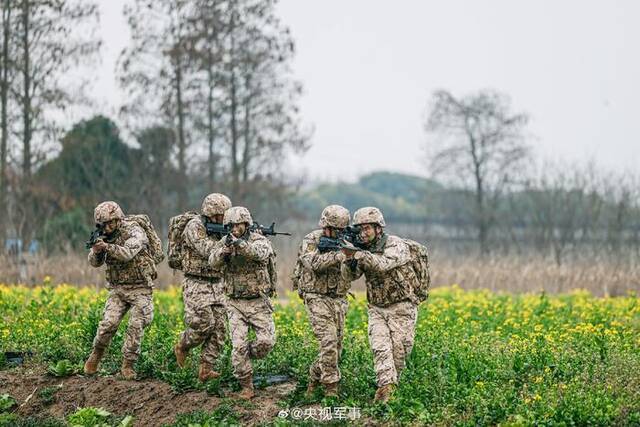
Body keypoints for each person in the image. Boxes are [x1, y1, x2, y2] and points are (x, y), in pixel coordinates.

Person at [340, 207, 420, 403]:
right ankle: (384, 391)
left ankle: (393, 389)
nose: (363, 233)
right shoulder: (362, 249)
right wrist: (349, 258)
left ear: (378, 228)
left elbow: (383, 265)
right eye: (360, 229)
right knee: (380, 349)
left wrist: (359, 254)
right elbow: (349, 277)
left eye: (367, 228)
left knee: (399, 353)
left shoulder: (396, 245)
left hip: (402, 307)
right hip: (377, 308)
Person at [84, 201, 158, 380]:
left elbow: (128, 253)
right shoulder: (103, 235)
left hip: (140, 287)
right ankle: (96, 355)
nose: (108, 228)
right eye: (104, 225)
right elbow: (94, 263)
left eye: (111, 223)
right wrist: (97, 251)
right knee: (108, 324)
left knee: (136, 325)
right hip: (118, 288)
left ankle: (128, 364)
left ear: (118, 219)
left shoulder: (134, 230)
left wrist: (107, 247)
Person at [208, 206, 276, 399]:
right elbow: (212, 261)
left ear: (246, 224)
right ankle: (246, 384)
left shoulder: (259, 240)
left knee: (266, 342)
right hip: (235, 302)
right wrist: (224, 251)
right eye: (231, 226)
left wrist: (240, 245)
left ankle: (244, 356)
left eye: (238, 225)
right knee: (238, 346)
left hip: (258, 302)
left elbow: (259, 254)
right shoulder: (225, 241)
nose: (234, 229)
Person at [293, 204, 354, 397]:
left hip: (338, 298)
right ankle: (331, 390)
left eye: (338, 230)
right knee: (328, 342)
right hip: (316, 296)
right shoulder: (311, 240)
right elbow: (313, 264)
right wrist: (339, 256)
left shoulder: (348, 241)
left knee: (336, 348)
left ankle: (314, 376)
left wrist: (354, 257)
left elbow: (354, 274)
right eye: (330, 229)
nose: (332, 232)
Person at [174, 193, 232, 382]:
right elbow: (207, 249)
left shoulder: (225, 229)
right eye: (218, 216)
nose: (221, 219)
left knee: (220, 329)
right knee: (203, 325)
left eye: (224, 215)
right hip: (196, 282)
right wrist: (229, 241)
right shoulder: (195, 226)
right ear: (209, 213)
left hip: (218, 282)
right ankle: (183, 345)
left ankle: (206, 369)